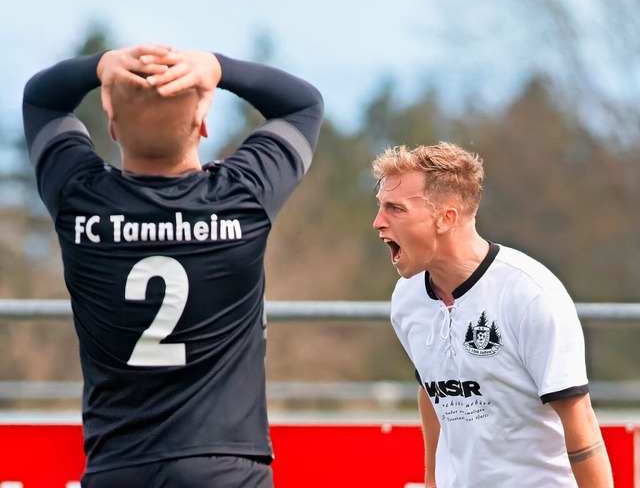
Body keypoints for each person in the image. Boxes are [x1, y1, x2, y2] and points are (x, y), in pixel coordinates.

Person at [22, 44, 323, 487]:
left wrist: (101, 64)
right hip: (226, 470)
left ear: (112, 126)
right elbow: (302, 105)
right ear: (203, 125)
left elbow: (41, 99)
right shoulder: (242, 199)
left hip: (118, 467)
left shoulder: (80, 202)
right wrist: (218, 68)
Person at [371, 142, 613, 487]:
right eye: (380, 207)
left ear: (447, 218)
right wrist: (432, 480)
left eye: (395, 209)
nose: (378, 222)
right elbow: (432, 390)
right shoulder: (407, 298)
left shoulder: (530, 294)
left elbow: (581, 423)